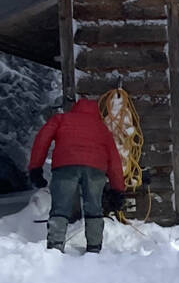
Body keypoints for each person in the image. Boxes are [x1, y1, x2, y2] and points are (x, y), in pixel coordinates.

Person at [27, 93, 127, 254]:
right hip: (95, 170)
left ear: (76, 108)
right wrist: (118, 190)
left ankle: (55, 248)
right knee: (94, 208)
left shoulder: (61, 119)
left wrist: (35, 167)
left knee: (60, 208)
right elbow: (114, 160)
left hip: (65, 166)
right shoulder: (102, 128)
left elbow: (42, 140)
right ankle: (94, 249)